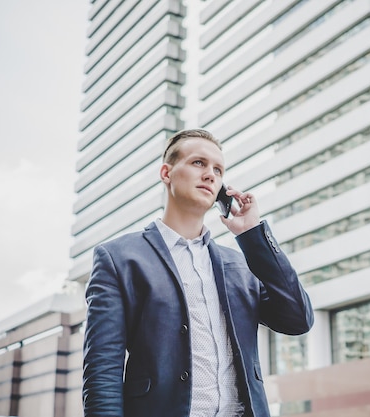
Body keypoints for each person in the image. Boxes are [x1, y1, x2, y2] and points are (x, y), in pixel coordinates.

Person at [82, 129, 314, 417]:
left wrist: (254, 238)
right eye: (198, 163)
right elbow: (102, 372)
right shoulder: (119, 258)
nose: (210, 175)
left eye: (218, 169)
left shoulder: (240, 266)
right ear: (166, 173)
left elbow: (298, 319)